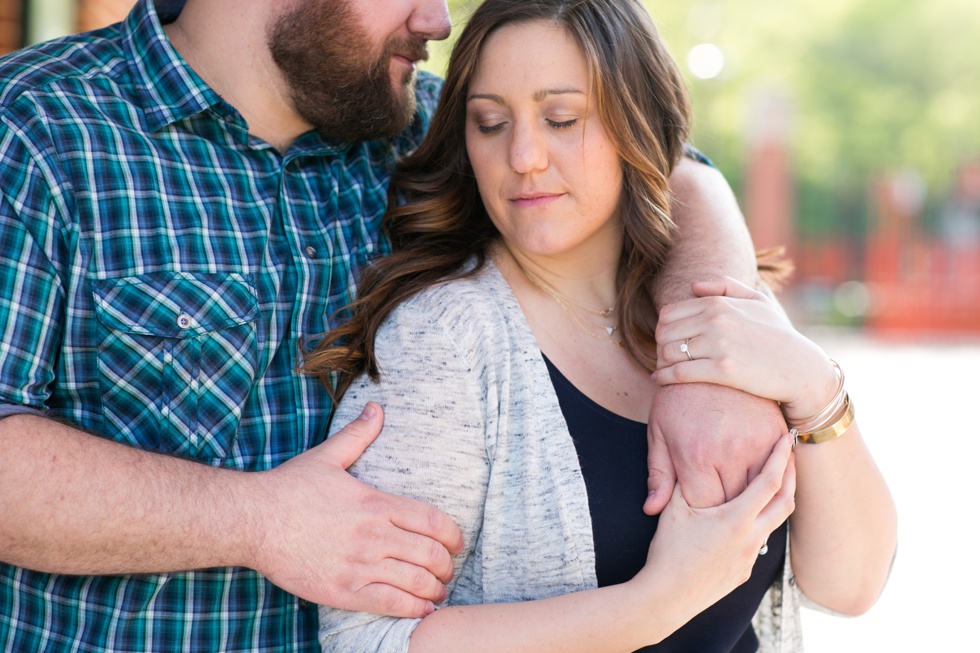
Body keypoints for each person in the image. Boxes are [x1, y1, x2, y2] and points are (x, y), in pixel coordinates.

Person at [0, 0, 790, 650]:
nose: (436, 19)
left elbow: (668, 162)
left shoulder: (427, 127)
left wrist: (704, 354)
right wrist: (256, 521)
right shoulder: (35, 130)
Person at [305, 0, 897, 651]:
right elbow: (368, 639)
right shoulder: (441, 342)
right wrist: (655, 603)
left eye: (562, 118)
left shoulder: (723, 300)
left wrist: (817, 391)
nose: (524, 156)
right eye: (491, 122)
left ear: (637, 122)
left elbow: (850, 585)